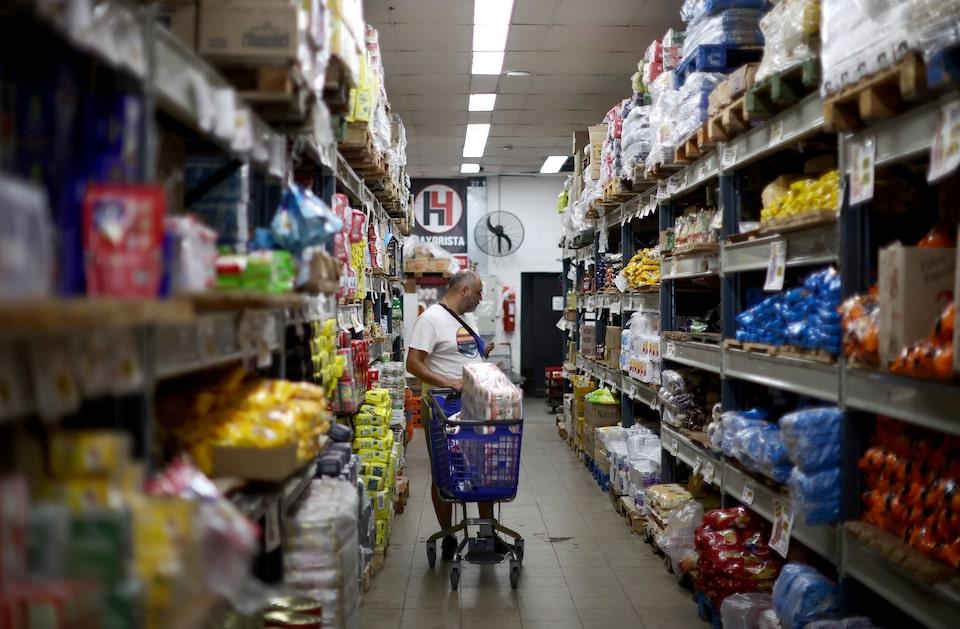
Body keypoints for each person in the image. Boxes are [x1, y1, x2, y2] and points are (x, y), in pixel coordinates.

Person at [406, 269, 501, 561]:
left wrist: (481, 356)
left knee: (482, 468)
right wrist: (449, 381)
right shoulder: (430, 320)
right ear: (464, 290)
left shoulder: (466, 319)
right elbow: (413, 363)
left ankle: (487, 533)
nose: (481, 298)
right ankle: (448, 535)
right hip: (443, 407)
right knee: (445, 472)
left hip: (474, 403)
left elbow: (459, 352)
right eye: (479, 292)